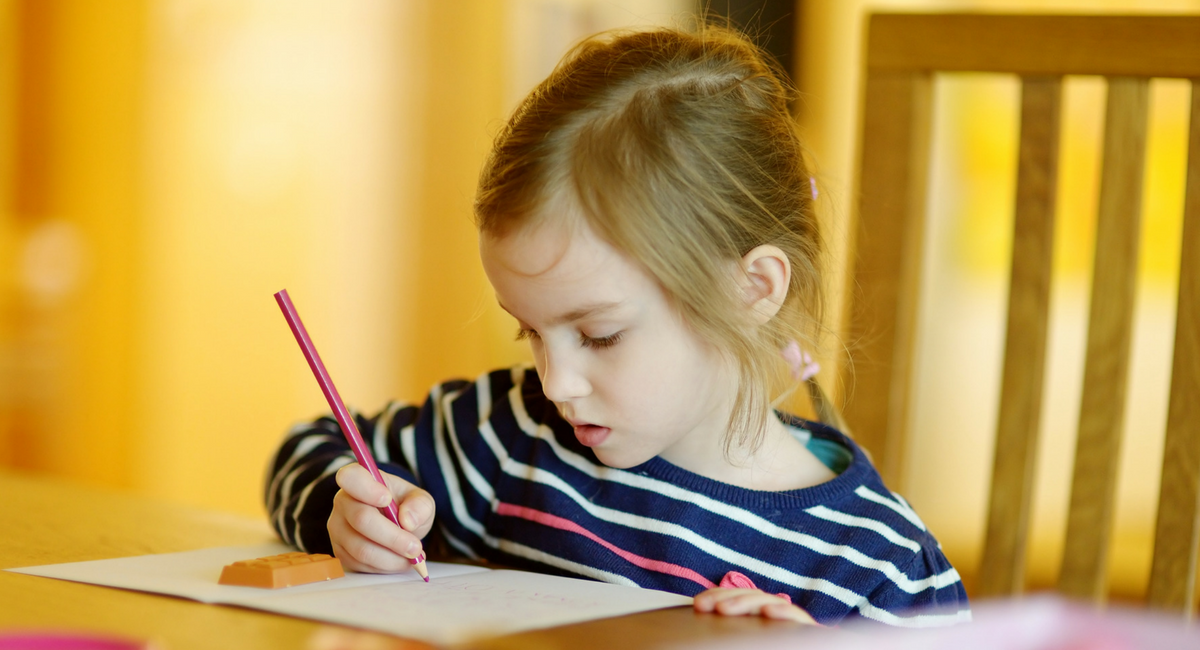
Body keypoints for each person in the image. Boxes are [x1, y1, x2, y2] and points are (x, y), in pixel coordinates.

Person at [265, 24, 969, 628]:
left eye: (599, 336)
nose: (557, 380)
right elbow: (312, 446)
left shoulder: (882, 572)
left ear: (752, 290)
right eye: (531, 332)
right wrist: (344, 511)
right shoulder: (511, 436)